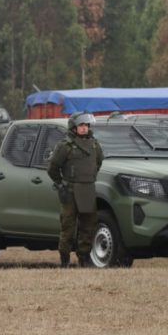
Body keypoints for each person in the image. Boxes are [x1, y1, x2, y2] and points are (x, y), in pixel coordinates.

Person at [48, 111, 104, 268]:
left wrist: (88, 178)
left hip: (87, 189)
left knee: (88, 225)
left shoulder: (94, 144)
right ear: (74, 127)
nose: (85, 128)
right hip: (70, 191)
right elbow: (53, 168)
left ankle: (84, 257)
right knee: (68, 227)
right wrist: (60, 185)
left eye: (86, 125)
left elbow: (98, 163)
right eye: (81, 125)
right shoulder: (65, 146)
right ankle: (64, 259)